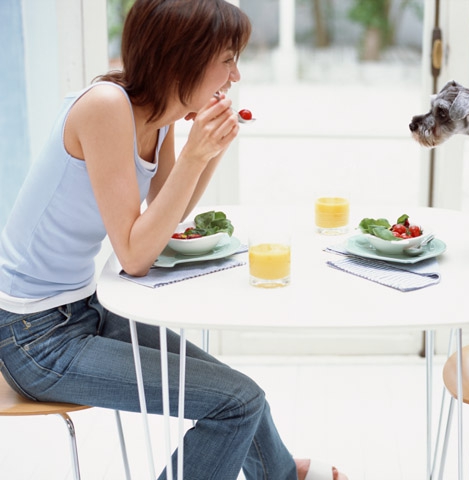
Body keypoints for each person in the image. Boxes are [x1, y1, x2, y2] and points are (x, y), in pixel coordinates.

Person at [0, 1, 348, 479]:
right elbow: (136, 255)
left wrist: (210, 153)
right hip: (33, 339)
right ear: (184, 56)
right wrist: (194, 156)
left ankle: (283, 475)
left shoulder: (158, 117)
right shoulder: (106, 108)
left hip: (84, 311)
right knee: (236, 404)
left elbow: (167, 219)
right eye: (227, 60)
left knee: (244, 393)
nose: (235, 75)